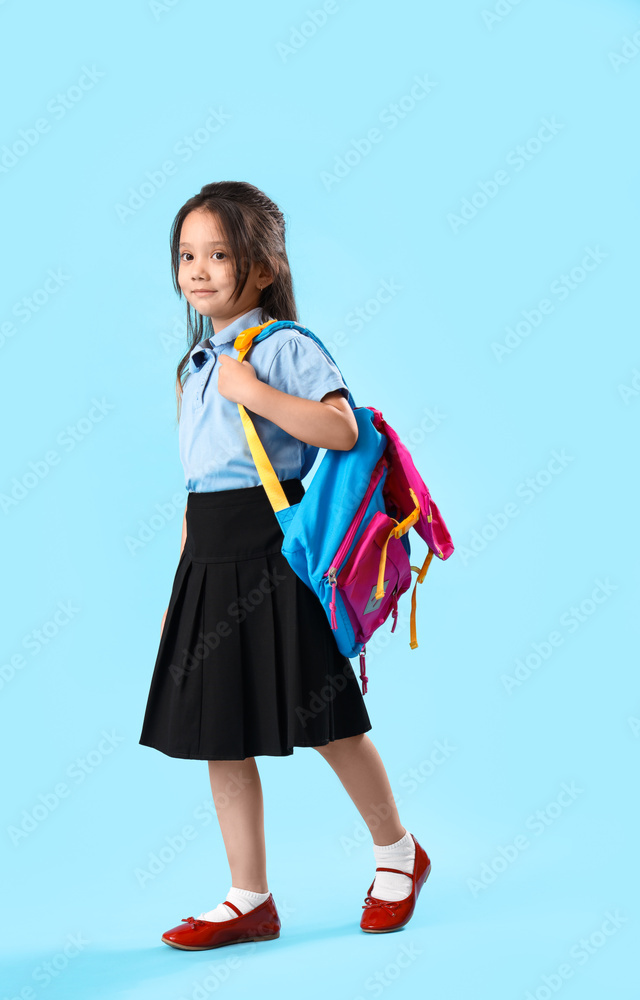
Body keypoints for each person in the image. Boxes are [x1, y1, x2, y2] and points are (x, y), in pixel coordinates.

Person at [138, 181, 430, 951]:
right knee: (217, 735)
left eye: (219, 254)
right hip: (208, 549)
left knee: (327, 718)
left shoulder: (284, 348)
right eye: (186, 255)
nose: (198, 270)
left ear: (262, 269)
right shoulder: (193, 365)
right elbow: (198, 485)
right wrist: (180, 588)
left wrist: (256, 391)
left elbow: (340, 430)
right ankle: (249, 899)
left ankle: (398, 854)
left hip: (277, 552)